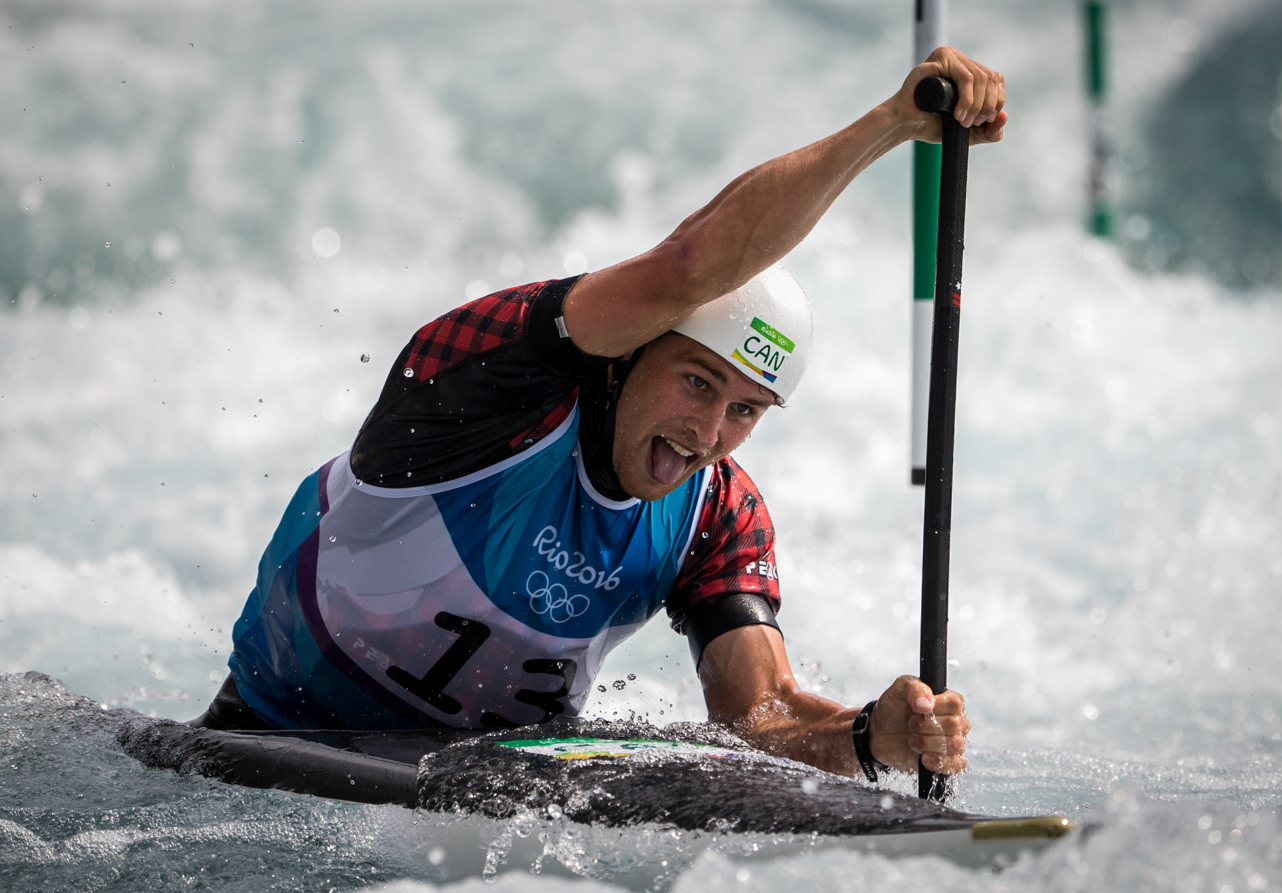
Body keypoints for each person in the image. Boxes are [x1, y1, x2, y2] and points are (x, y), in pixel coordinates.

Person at [196, 46, 1006, 782]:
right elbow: (685, 267)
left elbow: (760, 716)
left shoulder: (719, 511)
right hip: (266, 738)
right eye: (695, 382)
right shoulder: (493, 385)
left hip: (485, 795)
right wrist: (891, 125)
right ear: (629, 351)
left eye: (747, 409)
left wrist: (872, 735)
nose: (707, 433)